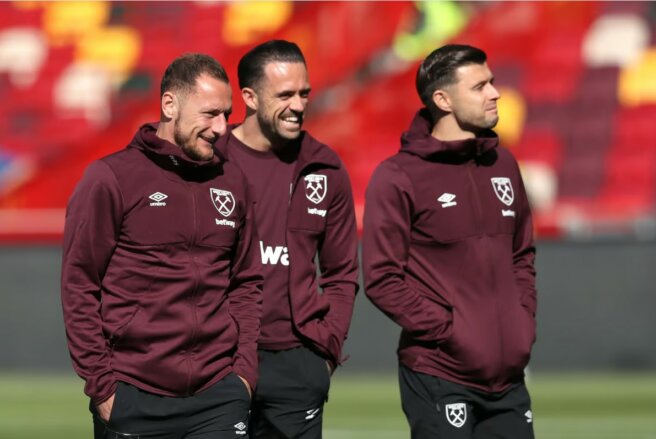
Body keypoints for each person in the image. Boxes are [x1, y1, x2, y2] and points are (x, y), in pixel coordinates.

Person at [61, 53, 262, 439]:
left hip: (219, 395)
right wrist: (103, 388)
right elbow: (79, 285)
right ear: (170, 105)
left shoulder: (233, 181)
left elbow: (246, 283)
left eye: (226, 114)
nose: (222, 128)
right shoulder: (111, 178)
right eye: (210, 114)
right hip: (133, 394)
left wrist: (243, 375)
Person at [363, 44, 537, 438]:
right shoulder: (398, 176)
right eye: (479, 86)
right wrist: (450, 332)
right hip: (440, 373)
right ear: (443, 100)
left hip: (508, 379)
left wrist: (521, 322)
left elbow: (522, 255)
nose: (495, 93)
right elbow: (382, 279)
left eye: (491, 82)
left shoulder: (504, 164)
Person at [215, 40, 359, 439]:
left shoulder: (325, 168)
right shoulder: (210, 160)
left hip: (297, 363)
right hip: (218, 359)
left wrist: (324, 353)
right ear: (249, 97)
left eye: (304, 93)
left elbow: (342, 273)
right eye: (284, 95)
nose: (298, 105)